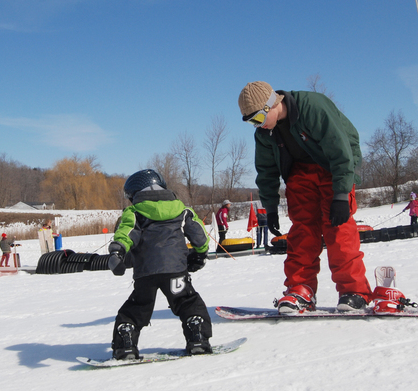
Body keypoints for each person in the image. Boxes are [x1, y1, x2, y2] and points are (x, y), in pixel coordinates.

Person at [238, 81, 372, 314]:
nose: (256, 126)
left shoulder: (313, 107)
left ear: (271, 106)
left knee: (338, 229)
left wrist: (341, 195)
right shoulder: (264, 134)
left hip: (335, 167)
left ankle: (354, 291)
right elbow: (266, 171)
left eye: (257, 119)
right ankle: (301, 289)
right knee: (302, 230)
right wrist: (270, 208)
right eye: (250, 122)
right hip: (300, 173)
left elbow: (341, 151)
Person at [106, 169, 213, 359]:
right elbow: (199, 234)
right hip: (175, 270)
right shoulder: (181, 209)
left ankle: (126, 344)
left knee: (137, 307)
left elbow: (127, 232)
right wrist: (200, 253)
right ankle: (197, 337)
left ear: (134, 193)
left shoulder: (134, 211)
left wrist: (118, 251)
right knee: (188, 302)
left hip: (145, 272)